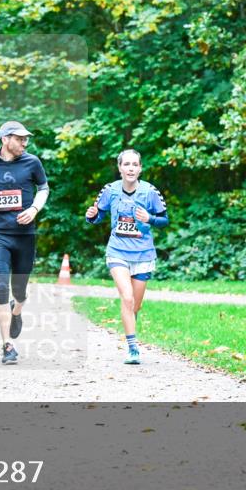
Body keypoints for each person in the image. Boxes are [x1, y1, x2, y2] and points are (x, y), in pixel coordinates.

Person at [0, 121, 49, 365]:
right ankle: (8, 345)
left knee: (20, 291)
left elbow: (44, 188)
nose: (25, 143)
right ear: (5, 139)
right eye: (20, 138)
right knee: (1, 285)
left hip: (25, 235)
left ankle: (17, 311)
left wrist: (34, 208)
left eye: (26, 139)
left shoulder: (32, 162)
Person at [85, 149, 169, 364]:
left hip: (143, 254)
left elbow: (164, 220)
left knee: (135, 306)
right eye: (127, 164)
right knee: (127, 298)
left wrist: (149, 218)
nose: (131, 168)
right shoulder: (110, 190)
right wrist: (92, 216)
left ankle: (130, 326)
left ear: (140, 169)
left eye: (135, 165)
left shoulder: (150, 192)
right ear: (120, 168)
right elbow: (99, 214)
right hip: (117, 252)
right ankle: (133, 348)